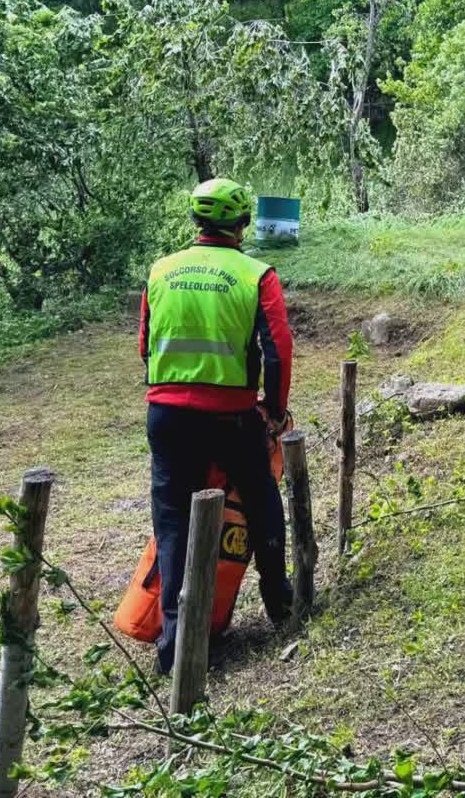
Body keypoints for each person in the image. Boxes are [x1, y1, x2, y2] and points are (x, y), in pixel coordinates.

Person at [138, 178, 294, 674]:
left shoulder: (160, 271)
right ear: (243, 223)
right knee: (261, 497)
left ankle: (175, 646)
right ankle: (281, 606)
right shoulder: (255, 274)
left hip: (166, 415)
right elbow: (278, 349)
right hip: (231, 415)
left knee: (172, 523)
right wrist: (275, 406)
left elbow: (145, 344)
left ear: (196, 223)